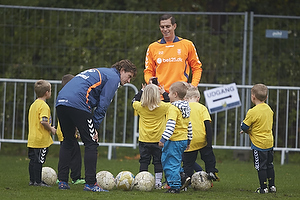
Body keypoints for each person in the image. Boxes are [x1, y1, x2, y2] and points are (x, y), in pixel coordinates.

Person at [56, 59, 137, 192]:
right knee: (91, 143)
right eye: (129, 76)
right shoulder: (113, 78)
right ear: (122, 70)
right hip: (78, 103)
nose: (129, 81)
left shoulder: (102, 71)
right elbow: (103, 104)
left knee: (68, 140)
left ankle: (63, 181)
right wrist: (95, 126)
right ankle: (90, 184)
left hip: (61, 102)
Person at [144, 14, 202, 94]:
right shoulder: (153, 47)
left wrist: (193, 85)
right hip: (160, 95)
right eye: (162, 27)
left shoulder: (187, 45)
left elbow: (197, 67)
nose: (165, 29)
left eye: (168, 26)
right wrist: (149, 80)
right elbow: (148, 71)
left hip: (181, 95)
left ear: (174, 26)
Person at [132, 83, 171, 189]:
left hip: (144, 139)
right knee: (158, 161)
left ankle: (141, 180)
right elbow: (170, 102)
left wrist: (141, 90)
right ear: (157, 95)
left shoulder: (140, 107)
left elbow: (134, 100)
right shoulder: (163, 107)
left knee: (144, 160)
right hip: (159, 140)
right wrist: (164, 93)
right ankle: (158, 182)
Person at [240, 84, 276, 194]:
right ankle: (272, 186)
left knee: (261, 166)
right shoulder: (269, 109)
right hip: (269, 142)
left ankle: (263, 188)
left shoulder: (253, 111)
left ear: (253, 97)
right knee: (270, 165)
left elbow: (244, 126)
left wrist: (246, 130)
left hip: (258, 144)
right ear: (266, 97)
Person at [182, 86, 219, 189]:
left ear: (185, 98)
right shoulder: (202, 108)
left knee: (188, 163)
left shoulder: (183, 108)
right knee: (208, 157)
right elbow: (207, 125)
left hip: (188, 140)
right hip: (202, 139)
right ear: (197, 98)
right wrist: (209, 142)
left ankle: (187, 182)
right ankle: (211, 171)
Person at [158, 81, 192, 193]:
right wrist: (189, 140)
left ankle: (174, 186)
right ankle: (182, 177)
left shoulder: (173, 108)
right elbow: (189, 125)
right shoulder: (186, 107)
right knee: (175, 161)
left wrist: (163, 139)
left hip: (174, 140)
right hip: (183, 140)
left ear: (175, 94)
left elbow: (171, 126)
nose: (168, 95)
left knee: (170, 163)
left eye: (170, 93)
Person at [56, 74, 85, 185]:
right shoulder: (73, 97)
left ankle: (62, 177)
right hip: (67, 133)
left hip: (62, 131)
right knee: (75, 156)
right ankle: (75, 177)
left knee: (66, 154)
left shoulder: (62, 97)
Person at [27, 80, 56, 187]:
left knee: (32, 160)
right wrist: (52, 129)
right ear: (47, 93)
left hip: (32, 139)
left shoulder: (33, 105)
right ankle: (38, 182)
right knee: (39, 161)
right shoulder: (44, 106)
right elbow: (43, 121)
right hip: (41, 140)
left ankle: (32, 181)